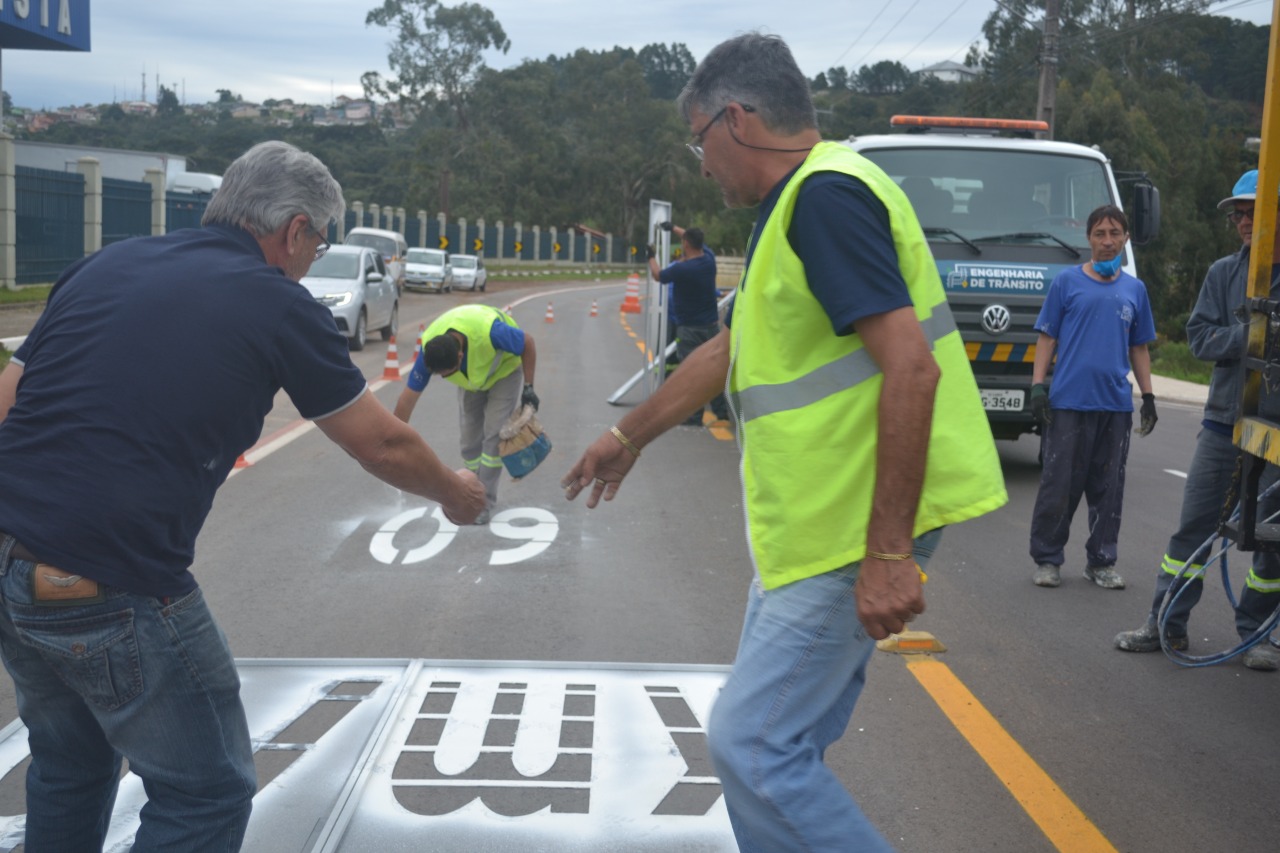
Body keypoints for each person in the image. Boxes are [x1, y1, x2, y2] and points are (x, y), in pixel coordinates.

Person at [562, 33, 1007, 852]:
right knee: (773, 743)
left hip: (851, 525)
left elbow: (910, 369)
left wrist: (887, 551)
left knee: (755, 745)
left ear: (737, 119)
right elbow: (728, 349)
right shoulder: (792, 209)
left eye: (699, 141)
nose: (701, 166)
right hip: (813, 527)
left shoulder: (827, 199)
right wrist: (629, 434)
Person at [0, 140, 485, 852]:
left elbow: (8, 400)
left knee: (70, 763)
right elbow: (381, 442)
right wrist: (454, 492)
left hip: (9, 565)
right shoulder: (279, 305)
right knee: (207, 793)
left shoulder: (106, 262)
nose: (313, 258)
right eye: (319, 243)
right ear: (295, 230)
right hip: (113, 580)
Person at [1114, 169, 1280, 671]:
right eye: (1237, 213)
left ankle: (1255, 635)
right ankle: (1166, 622)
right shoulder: (1223, 274)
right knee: (1194, 528)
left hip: (1276, 431)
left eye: (1251, 210)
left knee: (1272, 539)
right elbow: (1201, 338)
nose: (1242, 221)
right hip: (1223, 423)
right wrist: (1255, 336)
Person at [1028, 205, 1158, 590]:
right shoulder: (1066, 283)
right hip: (1069, 402)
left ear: (1125, 239)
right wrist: (1038, 386)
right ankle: (1048, 560)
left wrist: (1148, 396)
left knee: (1108, 489)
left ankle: (1101, 562)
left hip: (1115, 406)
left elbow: (1139, 347)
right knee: (1058, 485)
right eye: (1100, 233)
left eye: (1115, 233)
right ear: (1088, 238)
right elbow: (1047, 337)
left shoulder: (1135, 289)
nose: (1107, 241)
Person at [395, 304, 538, 525]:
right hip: (473, 382)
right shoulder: (430, 351)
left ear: (460, 356)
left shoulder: (492, 333)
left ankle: (483, 503)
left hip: (504, 374)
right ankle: (471, 489)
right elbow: (408, 397)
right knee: (469, 442)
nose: (444, 378)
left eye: (447, 374)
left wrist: (529, 388)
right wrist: (394, 439)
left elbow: (528, 343)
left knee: (493, 437)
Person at [647, 222, 730, 424]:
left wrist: (650, 256)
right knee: (715, 370)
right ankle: (722, 413)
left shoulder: (683, 269)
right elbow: (694, 239)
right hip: (711, 327)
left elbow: (658, 275)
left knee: (692, 373)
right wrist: (674, 228)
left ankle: (694, 417)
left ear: (685, 244)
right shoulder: (709, 260)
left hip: (690, 329)